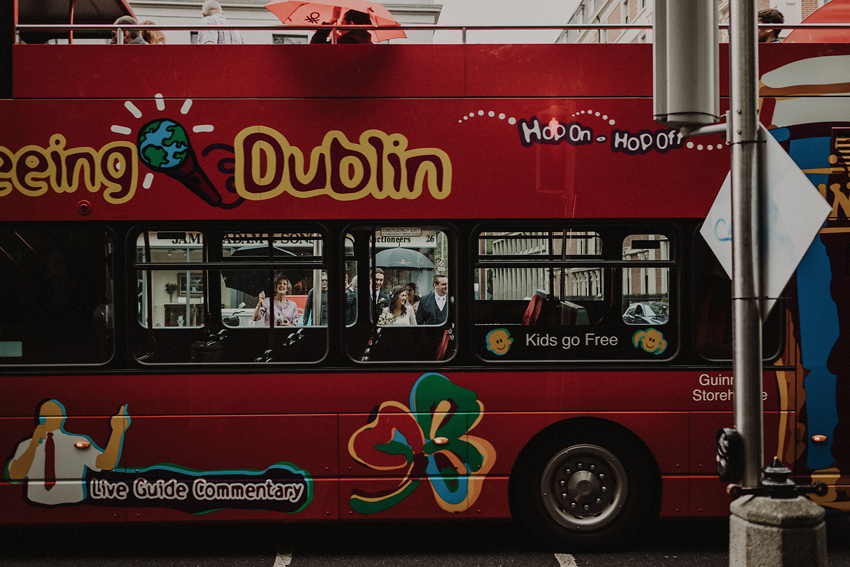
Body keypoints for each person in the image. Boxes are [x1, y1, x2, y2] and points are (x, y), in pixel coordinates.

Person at [6, 400, 130, 506]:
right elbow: (15, 476)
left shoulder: (77, 443)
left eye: (52, 415)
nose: (47, 419)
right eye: (44, 415)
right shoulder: (26, 445)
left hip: (75, 505)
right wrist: (34, 443)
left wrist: (117, 432)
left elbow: (106, 463)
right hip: (33, 507)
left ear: (62, 418)